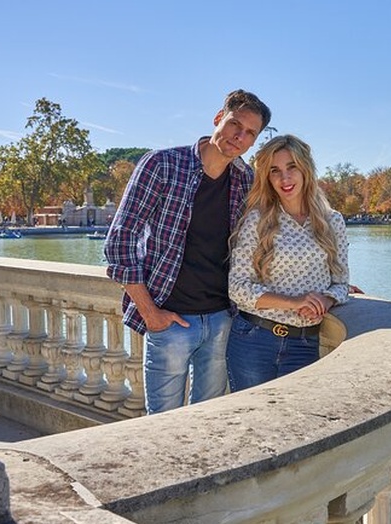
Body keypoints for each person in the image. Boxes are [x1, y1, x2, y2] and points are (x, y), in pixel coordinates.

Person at [104, 89, 272, 414]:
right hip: (170, 320)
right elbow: (120, 242)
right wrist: (151, 314)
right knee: (162, 426)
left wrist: (325, 281)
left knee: (206, 423)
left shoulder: (246, 180)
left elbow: (266, 242)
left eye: (250, 133)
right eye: (235, 124)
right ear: (218, 119)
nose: (240, 136)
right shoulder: (162, 165)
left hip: (224, 319)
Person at [226, 134, 349, 391]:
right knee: (252, 423)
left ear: (305, 169)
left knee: (298, 426)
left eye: (291, 167)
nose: (285, 178)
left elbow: (341, 284)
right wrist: (294, 303)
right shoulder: (257, 221)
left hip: (304, 344)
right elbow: (237, 287)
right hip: (254, 340)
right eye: (275, 171)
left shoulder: (332, 222)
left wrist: (324, 300)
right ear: (267, 179)